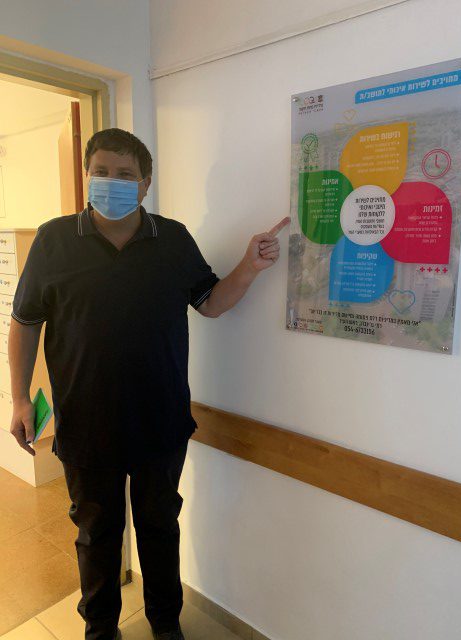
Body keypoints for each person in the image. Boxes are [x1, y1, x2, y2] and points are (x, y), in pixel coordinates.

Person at [8, 128, 289, 640]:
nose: (111, 182)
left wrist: (250, 266)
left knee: (160, 528)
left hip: (161, 421)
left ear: (145, 183)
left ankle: (165, 624)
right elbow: (25, 322)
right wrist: (20, 398)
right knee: (96, 534)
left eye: (125, 174)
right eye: (101, 172)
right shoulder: (54, 240)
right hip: (85, 423)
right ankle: (100, 630)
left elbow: (211, 303)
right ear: (87, 175)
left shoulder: (172, 239)